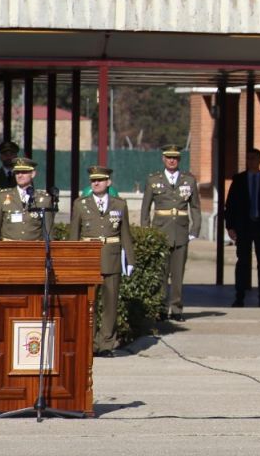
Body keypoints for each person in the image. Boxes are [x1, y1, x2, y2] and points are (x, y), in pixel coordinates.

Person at [69, 166, 136, 356]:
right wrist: (71, 260)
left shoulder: (119, 205)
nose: (96, 183)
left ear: (108, 182)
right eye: (93, 180)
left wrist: (130, 259)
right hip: (87, 260)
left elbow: (125, 234)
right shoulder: (80, 204)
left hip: (112, 258)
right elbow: (74, 235)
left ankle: (106, 343)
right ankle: (89, 343)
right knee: (88, 305)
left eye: (100, 180)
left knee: (110, 304)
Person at [141, 145, 201, 322]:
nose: (172, 160)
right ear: (163, 159)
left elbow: (196, 207)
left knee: (177, 273)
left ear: (179, 159)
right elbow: (146, 208)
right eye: (168, 157)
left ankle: (176, 308)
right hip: (160, 231)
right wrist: (147, 230)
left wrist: (195, 229)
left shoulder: (188, 180)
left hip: (181, 232)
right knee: (160, 273)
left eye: (175, 157)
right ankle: (160, 308)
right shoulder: (154, 180)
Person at [224, 148, 260, 307]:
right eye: (248, 158)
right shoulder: (239, 179)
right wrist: (230, 226)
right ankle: (239, 296)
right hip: (244, 227)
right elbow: (230, 205)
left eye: (254, 158)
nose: (251, 161)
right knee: (242, 262)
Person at [0, 156, 48, 240]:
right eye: (17, 172)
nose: (20, 175)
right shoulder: (2, 196)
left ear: (33, 174)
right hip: (8, 249)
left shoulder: (43, 199)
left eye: (24, 172)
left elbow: (48, 232)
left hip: (34, 249)